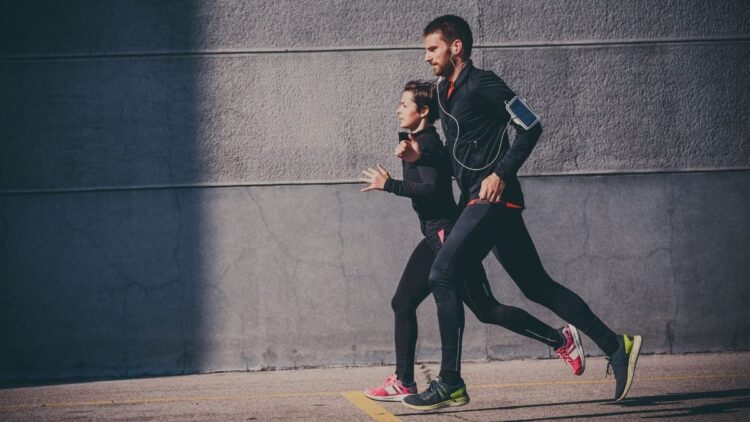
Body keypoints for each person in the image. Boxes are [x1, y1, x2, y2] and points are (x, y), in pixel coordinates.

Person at [400, 15, 642, 410]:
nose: (426, 57)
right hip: (476, 202)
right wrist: (417, 153)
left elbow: (531, 125)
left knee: (443, 273)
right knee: (536, 286)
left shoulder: (484, 84)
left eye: (432, 48)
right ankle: (617, 345)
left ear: (456, 46)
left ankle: (450, 382)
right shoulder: (444, 93)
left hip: (494, 197)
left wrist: (501, 171)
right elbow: (456, 144)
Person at [359, 80, 586, 405]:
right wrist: (407, 155)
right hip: (436, 236)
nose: (397, 108)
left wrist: (390, 184)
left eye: (404, 104)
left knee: (485, 309)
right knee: (407, 303)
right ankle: (404, 380)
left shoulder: (429, 143)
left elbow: (433, 191)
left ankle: (559, 339)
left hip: (446, 237)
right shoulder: (417, 142)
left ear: (423, 111)